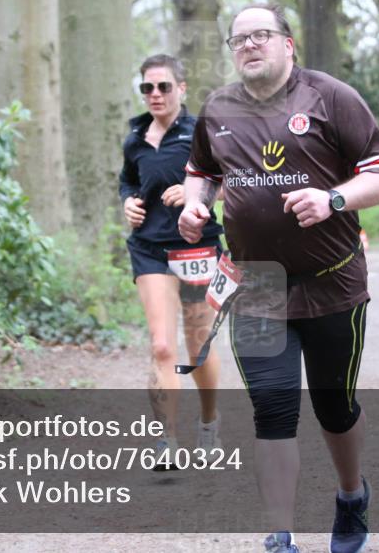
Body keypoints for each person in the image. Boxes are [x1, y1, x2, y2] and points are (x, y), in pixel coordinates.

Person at [178, 5, 379, 552]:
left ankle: (351, 495)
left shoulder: (330, 97)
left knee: (334, 408)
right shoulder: (217, 109)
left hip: (332, 283)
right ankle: (280, 534)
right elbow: (202, 171)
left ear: (288, 43)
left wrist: (333, 199)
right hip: (255, 285)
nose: (249, 45)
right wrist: (194, 205)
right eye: (239, 40)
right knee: (273, 410)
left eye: (261, 35)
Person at [119, 53, 225, 469]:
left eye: (163, 86)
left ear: (181, 88)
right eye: (147, 87)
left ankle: (209, 422)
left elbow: (232, 181)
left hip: (196, 247)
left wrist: (194, 192)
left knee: (198, 346)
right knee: (162, 345)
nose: (155, 94)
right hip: (150, 249)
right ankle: (166, 440)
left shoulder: (201, 132)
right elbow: (128, 180)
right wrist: (128, 202)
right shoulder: (135, 136)